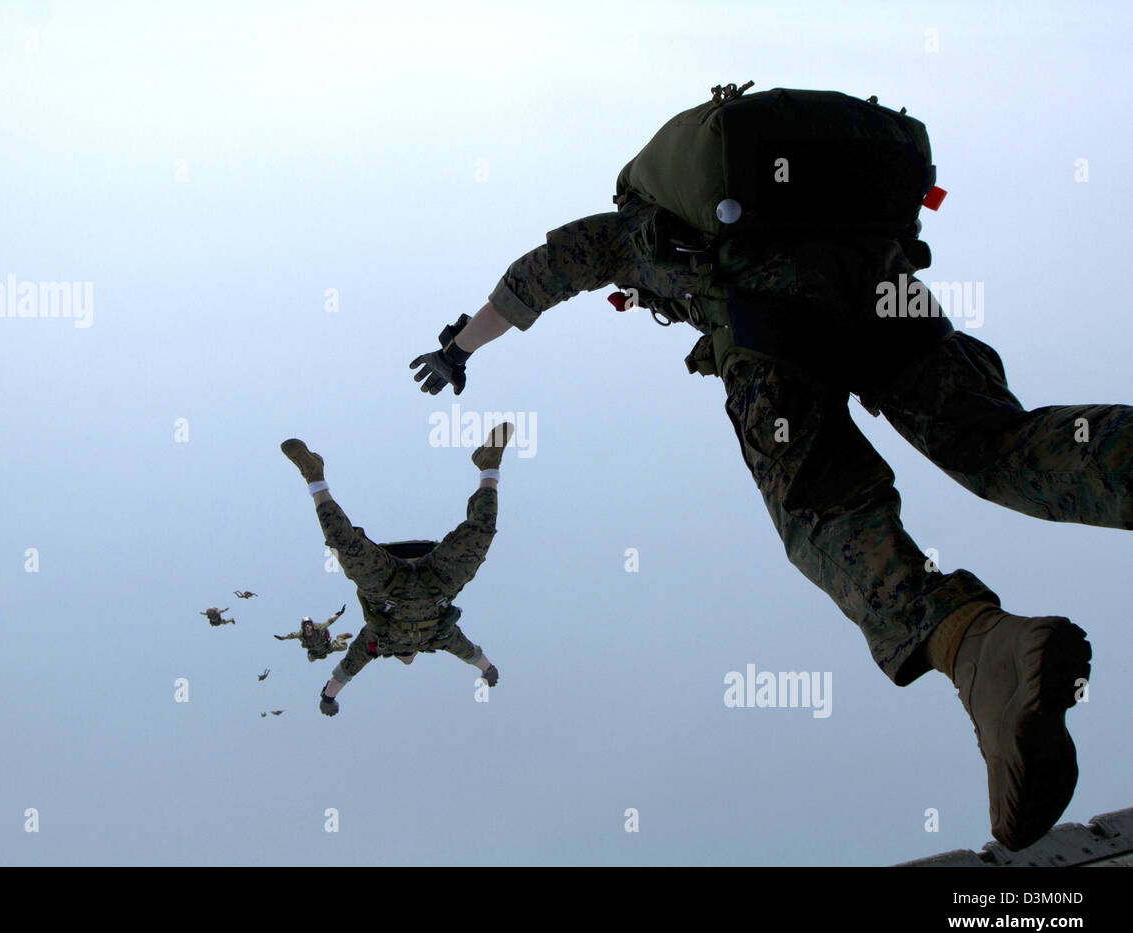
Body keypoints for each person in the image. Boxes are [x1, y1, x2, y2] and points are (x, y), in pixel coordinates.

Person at [407, 84, 1129, 851]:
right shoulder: (794, 187)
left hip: (769, 314)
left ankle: (977, 650)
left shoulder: (627, 228)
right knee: (998, 444)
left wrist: (459, 350)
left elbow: (539, 275)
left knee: (823, 510)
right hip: (887, 290)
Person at [280, 423, 512, 716]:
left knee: (343, 545)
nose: (408, 659)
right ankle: (489, 467)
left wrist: (328, 696)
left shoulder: (378, 643)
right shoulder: (440, 637)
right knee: (480, 535)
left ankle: (314, 475)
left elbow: (347, 669)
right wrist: (487, 669)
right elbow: (470, 652)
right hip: (436, 581)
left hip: (386, 585)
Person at [274, 607, 349, 661]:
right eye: (305, 625)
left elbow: (329, 621)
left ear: (312, 625)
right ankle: (318, 655)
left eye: (309, 624)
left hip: (326, 647)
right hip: (315, 652)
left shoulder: (319, 629)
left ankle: (340, 638)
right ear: (303, 627)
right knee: (310, 659)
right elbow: (292, 635)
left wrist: (339, 614)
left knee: (344, 646)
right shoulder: (301, 634)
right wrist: (282, 638)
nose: (307, 626)